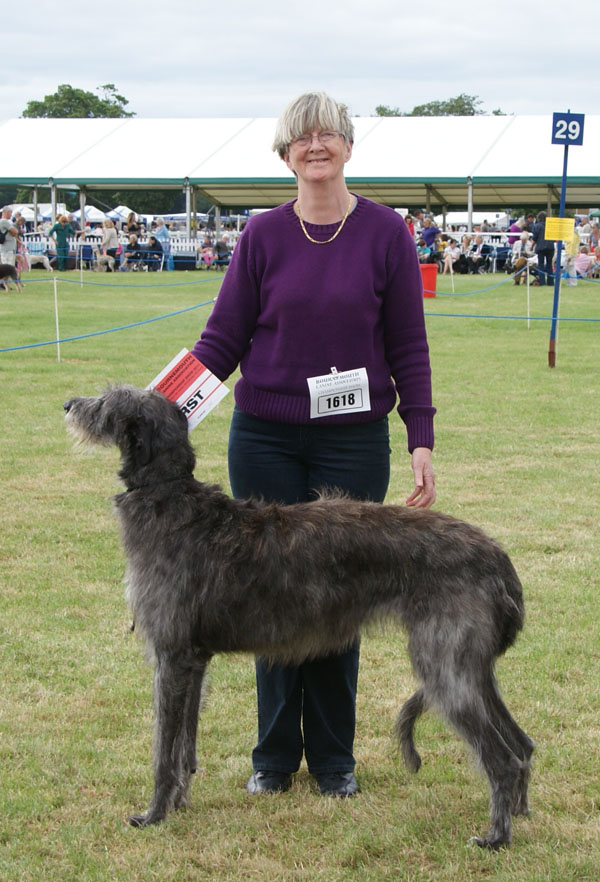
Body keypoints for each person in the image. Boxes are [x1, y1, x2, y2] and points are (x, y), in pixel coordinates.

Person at [190, 91, 436, 799]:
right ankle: (272, 759)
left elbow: (408, 347)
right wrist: (165, 409)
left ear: (349, 148)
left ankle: (334, 761)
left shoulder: (388, 233)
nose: (316, 145)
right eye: (303, 137)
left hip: (353, 443)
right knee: (268, 598)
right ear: (286, 153)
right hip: (264, 438)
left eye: (329, 134)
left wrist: (419, 436)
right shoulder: (262, 235)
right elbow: (222, 340)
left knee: (340, 599)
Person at [531, 211, 555, 286]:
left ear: (539, 218)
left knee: (541, 265)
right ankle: (550, 282)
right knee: (549, 265)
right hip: (550, 247)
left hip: (541, 247)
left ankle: (542, 281)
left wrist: (532, 246)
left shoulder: (537, 226)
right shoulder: (550, 226)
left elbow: (535, 238)